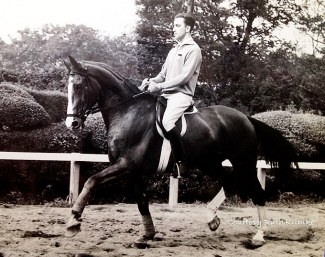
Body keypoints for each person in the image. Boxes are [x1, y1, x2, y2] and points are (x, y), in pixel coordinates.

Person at [140, 12, 202, 176]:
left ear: (187, 28)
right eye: (173, 25)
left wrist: (159, 86)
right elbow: (162, 74)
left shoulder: (194, 50)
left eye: (177, 26)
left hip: (181, 96)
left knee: (167, 121)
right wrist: (150, 81)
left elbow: (184, 78)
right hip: (166, 94)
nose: (173, 29)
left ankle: (182, 163)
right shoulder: (173, 50)